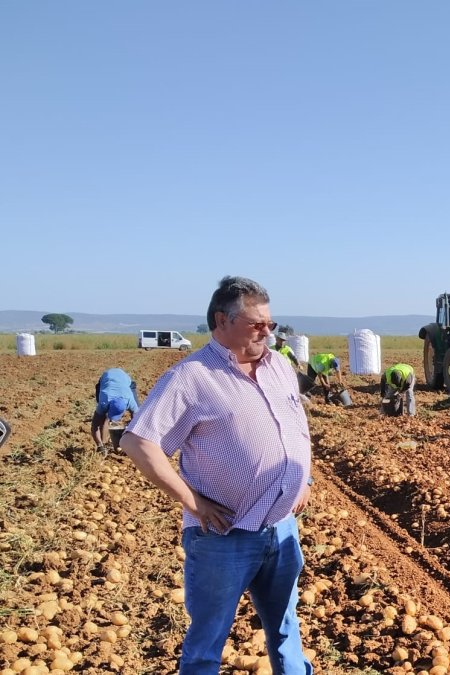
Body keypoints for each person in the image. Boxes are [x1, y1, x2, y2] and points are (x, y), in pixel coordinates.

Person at [119, 276, 312, 674]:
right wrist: (193, 502)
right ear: (222, 320)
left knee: (286, 629)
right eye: (257, 324)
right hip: (223, 537)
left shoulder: (278, 367)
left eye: (270, 323)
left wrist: (303, 478)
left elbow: (295, 426)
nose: (267, 332)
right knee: (208, 641)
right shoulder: (191, 377)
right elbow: (138, 443)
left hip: (281, 528)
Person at [90, 368, 139, 448]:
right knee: (102, 418)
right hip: (106, 379)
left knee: (137, 417)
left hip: (124, 379)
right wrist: (100, 446)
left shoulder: (130, 401)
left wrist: (130, 432)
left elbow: (137, 420)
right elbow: (95, 426)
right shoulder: (104, 402)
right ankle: (103, 444)